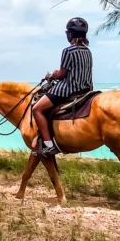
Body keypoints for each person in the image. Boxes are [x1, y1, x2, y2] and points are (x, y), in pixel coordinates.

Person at [31, 17, 93, 157]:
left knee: (37, 109)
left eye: (67, 33)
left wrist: (51, 76)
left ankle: (49, 145)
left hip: (67, 90)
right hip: (85, 90)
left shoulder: (68, 51)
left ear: (70, 34)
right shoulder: (88, 51)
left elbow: (62, 74)